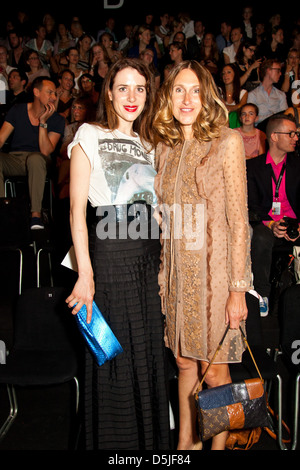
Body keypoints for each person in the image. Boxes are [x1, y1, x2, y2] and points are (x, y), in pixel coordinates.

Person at [66, 58, 170, 450]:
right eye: (123, 88)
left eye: (140, 88)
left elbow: (158, 211)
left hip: (147, 260)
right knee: (112, 360)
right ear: (108, 93)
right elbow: (77, 211)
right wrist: (85, 273)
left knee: (146, 357)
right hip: (109, 258)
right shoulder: (89, 134)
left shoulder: (151, 144)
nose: (132, 96)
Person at [153, 60, 251, 450]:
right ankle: (185, 446)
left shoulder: (227, 141)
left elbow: (239, 221)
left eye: (195, 90)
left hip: (215, 277)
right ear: (169, 96)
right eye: (179, 89)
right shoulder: (165, 145)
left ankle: (217, 446)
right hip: (178, 277)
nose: (187, 98)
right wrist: (164, 276)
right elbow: (166, 221)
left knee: (215, 373)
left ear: (207, 95)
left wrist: (238, 289)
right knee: (182, 364)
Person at [246, 114, 300, 316]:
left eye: (296, 134)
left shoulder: (297, 165)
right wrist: (271, 225)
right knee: (260, 237)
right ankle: (262, 295)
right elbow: (251, 206)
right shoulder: (253, 167)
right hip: (266, 223)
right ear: (275, 137)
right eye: (291, 133)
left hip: (295, 222)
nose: (295, 137)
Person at [0, 76, 65, 229]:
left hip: (41, 160)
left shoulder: (57, 120)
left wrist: (43, 122)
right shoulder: (17, 110)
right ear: (36, 92)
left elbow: (46, 150)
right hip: (16, 159)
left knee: (35, 158)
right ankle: (3, 210)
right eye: (50, 92)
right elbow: (1, 138)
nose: (54, 97)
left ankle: (35, 215)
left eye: (55, 94)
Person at [57, 95, 94, 199]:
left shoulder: (93, 128)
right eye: (74, 107)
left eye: (80, 108)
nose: (76, 111)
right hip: (69, 162)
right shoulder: (70, 128)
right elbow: (63, 150)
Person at [247, 58, 288, 130]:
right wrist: (275, 116)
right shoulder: (253, 95)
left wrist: (264, 117)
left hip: (278, 129)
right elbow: (252, 118)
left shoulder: (281, 95)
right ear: (268, 70)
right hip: (260, 131)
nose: (280, 73)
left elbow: (285, 116)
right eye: (278, 70)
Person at [219, 63, 248, 128]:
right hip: (221, 122)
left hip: (236, 123)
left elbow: (242, 108)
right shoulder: (218, 91)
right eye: (223, 73)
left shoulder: (243, 93)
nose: (225, 75)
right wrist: (237, 106)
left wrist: (230, 108)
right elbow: (222, 108)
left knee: (235, 115)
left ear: (235, 74)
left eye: (229, 72)